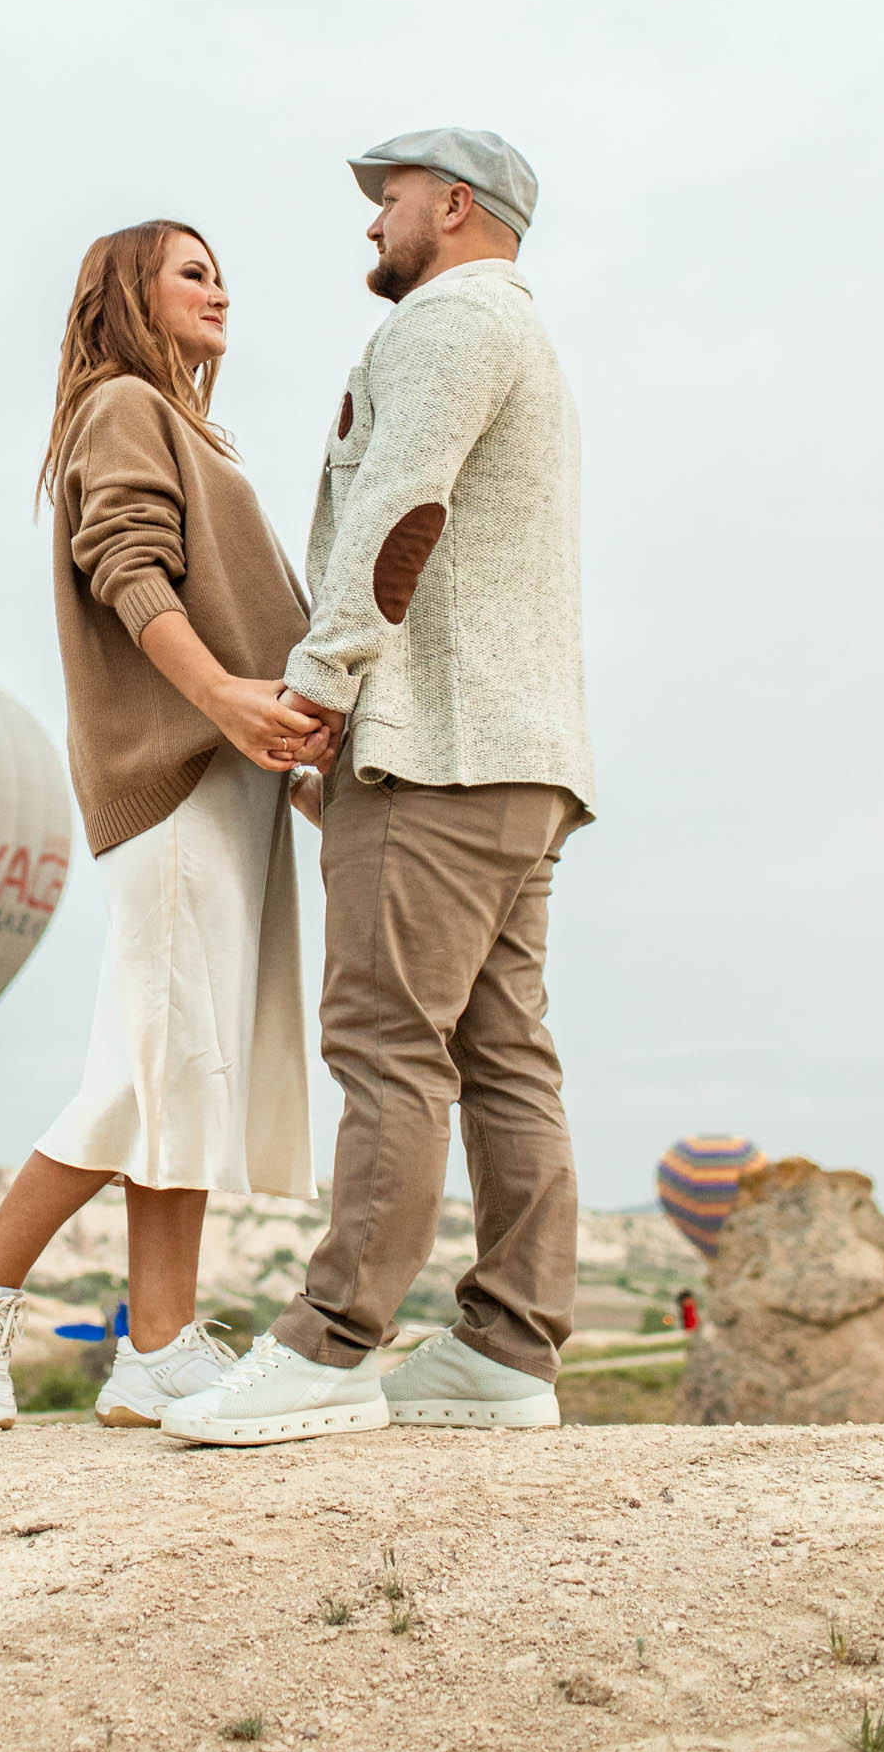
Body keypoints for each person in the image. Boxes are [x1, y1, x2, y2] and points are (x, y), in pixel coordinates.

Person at [163, 128, 595, 1448]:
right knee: (503, 1057)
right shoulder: (521, 334)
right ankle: (506, 1353)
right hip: (521, 758)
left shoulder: (446, 324)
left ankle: (328, 1345)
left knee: (385, 1044)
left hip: (435, 750)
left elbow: (399, 513)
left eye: (389, 200)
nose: (371, 224)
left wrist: (318, 693)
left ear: (453, 207)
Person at [0, 221, 321, 1431]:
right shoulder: (123, 405)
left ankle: (159, 1345)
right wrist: (224, 698)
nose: (219, 289)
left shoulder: (190, 428)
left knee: (186, 1067)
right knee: (153, 1065)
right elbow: (126, 568)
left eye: (221, 270)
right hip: (174, 773)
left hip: (230, 783)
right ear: (128, 294)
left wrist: (280, 744)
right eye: (191, 271)